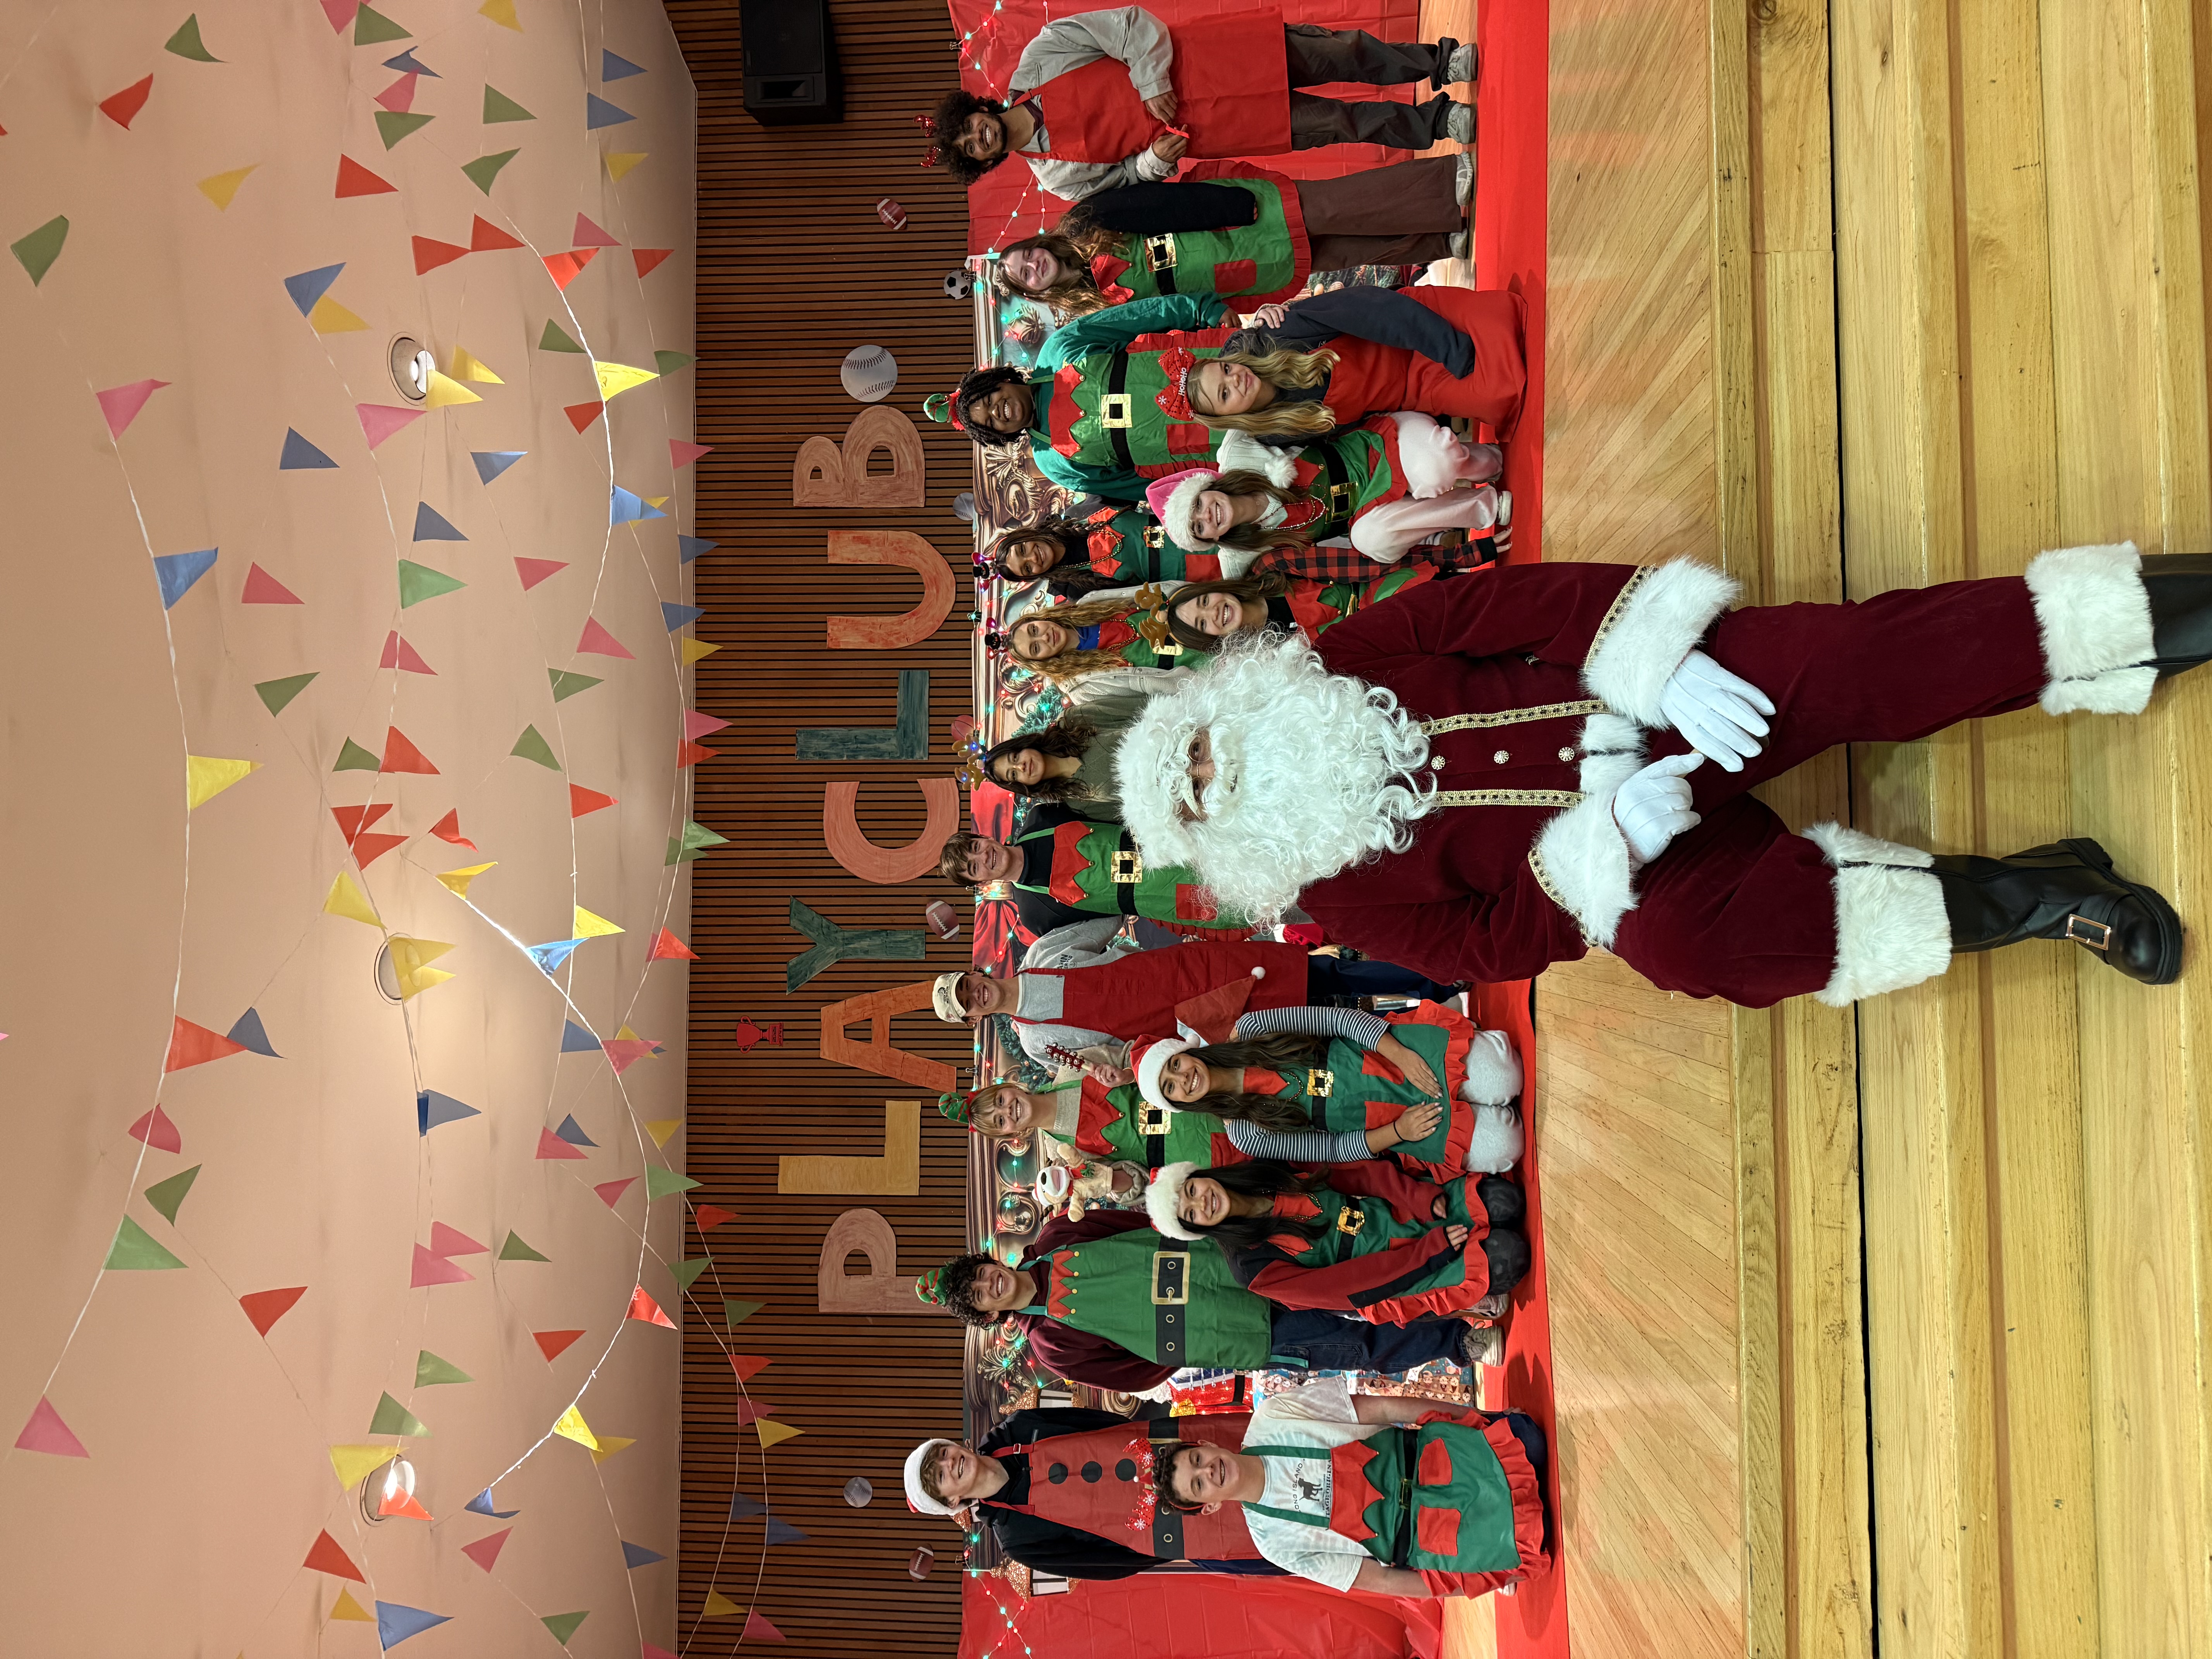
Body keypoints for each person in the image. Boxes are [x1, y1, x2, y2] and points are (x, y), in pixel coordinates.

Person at [1106, 548, 2211, 1005]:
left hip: (1665, 696)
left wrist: (1660, 664)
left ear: (1214, 705)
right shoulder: (1335, 888)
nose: (1221, 773)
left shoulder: (1343, 659)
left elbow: (1503, 604)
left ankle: (2158, 614)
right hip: (1641, 840)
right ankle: (2048, 895)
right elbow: (1485, 946)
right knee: (1702, 948)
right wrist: (1610, 845)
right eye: (1198, 796)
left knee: (1864, 662)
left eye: (1197, 748)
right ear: (1214, 839)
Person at [924, 9, 1477, 201]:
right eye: (972, 150)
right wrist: (1156, 163)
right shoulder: (1056, 178)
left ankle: (1436, 62)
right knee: (1340, 122)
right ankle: (1435, 121)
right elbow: (1126, 179)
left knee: (1341, 53)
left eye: (970, 129)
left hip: (1210, 57)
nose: (980, 138)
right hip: (1209, 127)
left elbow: (1126, 26)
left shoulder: (1041, 57)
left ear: (977, 110)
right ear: (984, 162)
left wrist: (1148, 82)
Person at [915, 1208, 1498, 1389]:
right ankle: (1461, 1340)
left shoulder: (1057, 1236)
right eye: (980, 1297)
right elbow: (1132, 1376)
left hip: (1229, 1266)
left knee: (1353, 1277)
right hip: (1233, 1333)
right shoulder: (1050, 1346)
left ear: (991, 1263)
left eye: (982, 1275)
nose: (990, 1285)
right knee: (1356, 1344)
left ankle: (1468, 1287)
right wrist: (1182, 1342)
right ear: (990, 1315)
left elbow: (1140, 1218)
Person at [1156, 1376, 1548, 1598]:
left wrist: (1481, 1420)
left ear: (1206, 1446)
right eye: (1199, 1485)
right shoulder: (1272, 1543)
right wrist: (1473, 1582)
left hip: (1441, 1459)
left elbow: (1382, 1409)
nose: (1208, 1471)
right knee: (1535, 1542)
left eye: (1197, 1460)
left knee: (1532, 1443)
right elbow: (1378, 1579)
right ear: (1209, 1507)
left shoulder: (1272, 1416)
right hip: (1436, 1537)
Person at [928, 916, 1462, 1073]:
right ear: (972, 1020)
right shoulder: (1036, 1044)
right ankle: (1440, 1031)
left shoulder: (1045, 953)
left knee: (1328, 980)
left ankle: (1436, 981)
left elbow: (1118, 912)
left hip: (1194, 967)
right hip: (1196, 1027)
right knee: (1320, 1036)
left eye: (966, 985)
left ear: (974, 972)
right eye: (966, 1004)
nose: (974, 994)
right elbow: (1109, 1059)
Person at [994, 156, 1474, 318]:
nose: (1032, 266)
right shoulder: (1091, 307)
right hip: (1240, 275)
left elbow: (1156, 203)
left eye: (1025, 257)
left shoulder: (1083, 222)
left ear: (1034, 244)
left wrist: (1231, 206)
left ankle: (1441, 185)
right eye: (1025, 277)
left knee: (1339, 204)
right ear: (1035, 292)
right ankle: (1438, 242)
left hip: (1230, 222)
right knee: (1337, 253)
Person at [1130, 1001, 1523, 1178]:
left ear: (1184, 1053)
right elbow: (1331, 1150)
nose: (1183, 1079)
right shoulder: (1244, 1132)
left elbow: (1336, 1019)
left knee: (1507, 1074)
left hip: (1387, 1053)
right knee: (1508, 1145)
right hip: (1393, 1123)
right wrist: (1399, 1133)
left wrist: (1401, 1054)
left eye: (1176, 1065)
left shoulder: (1251, 1029)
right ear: (1177, 1103)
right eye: (1171, 1087)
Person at [927, 292, 1237, 500]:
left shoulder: (1057, 350)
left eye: (989, 399)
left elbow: (1136, 318)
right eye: (990, 423)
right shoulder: (1052, 463)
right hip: (1214, 445)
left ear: (1001, 380)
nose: (997, 411)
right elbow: (1136, 486)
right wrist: (1211, 488)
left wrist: (1200, 308)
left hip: (1216, 366)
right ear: (1000, 436)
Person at [903, 1410, 1286, 1578]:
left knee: (1273, 1454)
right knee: (1281, 1539)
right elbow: (1100, 1565)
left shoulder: (1018, 1428)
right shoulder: (1017, 1540)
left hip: (1184, 1458)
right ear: (952, 1503)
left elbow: (1101, 1427)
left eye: (943, 1453)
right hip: (1181, 1528)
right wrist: (1155, 1544)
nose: (950, 1463)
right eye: (941, 1476)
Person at [1146, 1159, 1528, 1322]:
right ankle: (1475, 1296)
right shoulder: (1251, 1268)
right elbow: (1350, 1288)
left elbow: (1352, 1175)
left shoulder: (1259, 1171)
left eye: (1192, 1189)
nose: (1203, 1202)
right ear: (1195, 1229)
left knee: (1504, 1201)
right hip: (1396, 1274)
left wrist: (1418, 1196)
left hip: (1400, 1212)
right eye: (1191, 1213)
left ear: (1200, 1176)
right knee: (1509, 1256)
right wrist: (1431, 1254)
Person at [1151, 418, 1508, 577]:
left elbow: (1255, 390)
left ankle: (1483, 461)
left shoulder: (1235, 453)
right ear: (1210, 541)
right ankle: (1482, 507)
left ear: (1205, 487)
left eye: (1197, 504)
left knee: (1438, 467)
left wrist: (1264, 318)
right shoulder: (1239, 557)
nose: (1207, 516)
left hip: (1377, 447)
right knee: (1370, 540)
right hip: (1375, 507)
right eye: (1199, 528)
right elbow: (1237, 601)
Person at [1181, 284, 1529, 444]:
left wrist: (1449, 348)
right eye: (1224, 395)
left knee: (1503, 331)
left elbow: (1369, 308)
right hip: (1413, 390)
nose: (1237, 379)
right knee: (1498, 396)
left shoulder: (1279, 333)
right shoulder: (1275, 432)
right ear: (1229, 419)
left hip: (1418, 326)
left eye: (1225, 370)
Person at [938, 800, 1256, 936]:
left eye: (975, 848)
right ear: (979, 883)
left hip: (1170, 844)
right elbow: (1099, 930)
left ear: (983, 837)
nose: (983, 859)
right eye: (973, 868)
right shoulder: (1034, 916)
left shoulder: (1042, 817)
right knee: (1251, 905)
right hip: (1163, 899)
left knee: (1253, 856)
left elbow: (1110, 808)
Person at [940, 1072, 1244, 1173]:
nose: (1008, 1110)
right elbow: (1127, 1180)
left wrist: (1126, 1072)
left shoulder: (1071, 1070)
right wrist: (1108, 1183)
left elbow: (1133, 1055)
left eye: (1000, 1101)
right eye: (1001, 1121)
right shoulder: (1061, 1157)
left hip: (1192, 1098)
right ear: (1012, 1132)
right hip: (1202, 1155)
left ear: (1007, 1088)